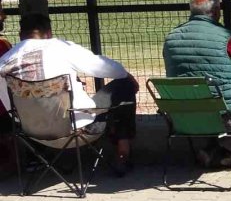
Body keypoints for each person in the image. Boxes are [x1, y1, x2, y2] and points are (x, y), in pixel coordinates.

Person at [0, 13, 139, 176]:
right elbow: (113, 70)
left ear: (20, 34)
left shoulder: (4, 61)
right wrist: (126, 75)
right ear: (49, 33)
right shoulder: (61, 48)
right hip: (78, 129)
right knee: (125, 84)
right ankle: (123, 154)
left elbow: (7, 104)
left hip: (32, 134)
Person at [163, 0, 231, 167]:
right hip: (223, 113)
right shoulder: (226, 37)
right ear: (217, 11)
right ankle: (222, 149)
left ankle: (213, 150)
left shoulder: (171, 38)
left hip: (184, 116)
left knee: (212, 104)